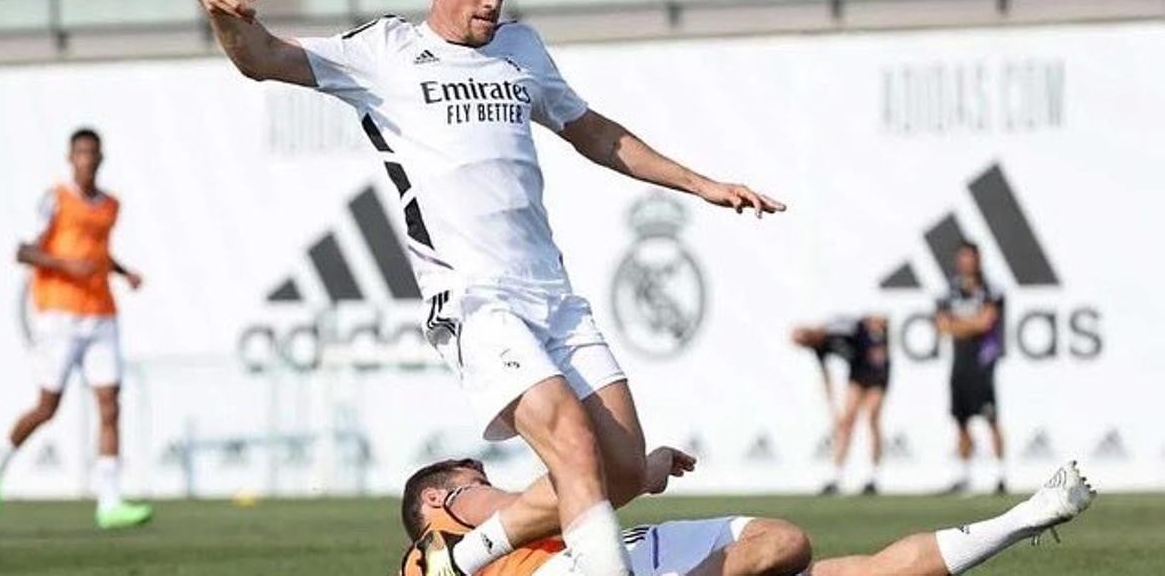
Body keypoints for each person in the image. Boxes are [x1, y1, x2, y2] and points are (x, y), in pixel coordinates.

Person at [198, 0, 785, 576]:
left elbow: (592, 131)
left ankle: (455, 561)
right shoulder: (383, 51)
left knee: (620, 470)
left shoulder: (522, 48)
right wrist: (219, 10)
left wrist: (700, 183)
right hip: (472, 297)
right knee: (570, 439)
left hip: (551, 293)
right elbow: (263, 57)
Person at [399, 451, 1095, 576]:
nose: (478, 482)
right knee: (787, 543)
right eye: (468, 477)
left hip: (639, 554)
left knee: (809, 555)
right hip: (612, 564)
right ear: (435, 498)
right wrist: (632, 470)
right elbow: (547, 499)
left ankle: (1027, 516)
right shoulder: (443, 528)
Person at [0, 128, 153, 530]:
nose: (86, 160)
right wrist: (66, 265)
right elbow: (24, 250)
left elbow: (99, 253)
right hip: (60, 315)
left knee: (110, 403)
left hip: (102, 313)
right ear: (70, 158)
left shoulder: (110, 206)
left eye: (92, 153)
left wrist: (124, 273)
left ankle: (109, 503)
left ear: (101, 158)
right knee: (47, 407)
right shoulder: (55, 200)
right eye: (80, 153)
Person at [935, 242, 1006, 495]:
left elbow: (986, 322)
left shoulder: (990, 289)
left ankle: (1000, 475)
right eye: (963, 257)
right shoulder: (949, 292)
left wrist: (960, 325)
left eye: (971, 257)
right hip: (960, 362)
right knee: (961, 419)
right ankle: (964, 475)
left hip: (983, 363)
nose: (968, 262)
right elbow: (942, 325)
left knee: (990, 417)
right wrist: (970, 325)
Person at [790, 315, 890, 496]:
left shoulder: (836, 327)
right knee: (846, 422)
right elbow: (826, 377)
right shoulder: (818, 348)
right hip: (857, 373)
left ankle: (873, 477)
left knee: (872, 417)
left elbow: (869, 323)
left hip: (876, 370)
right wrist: (831, 407)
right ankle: (836, 476)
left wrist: (879, 346)